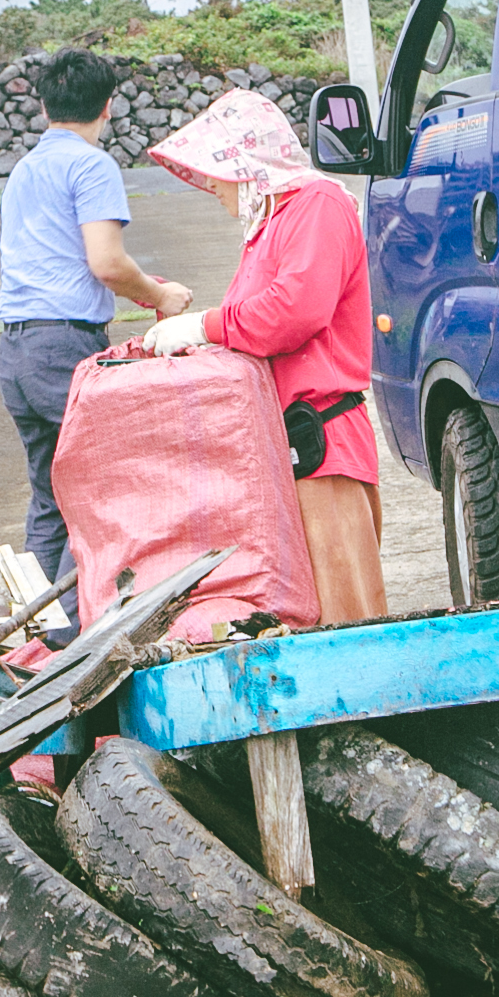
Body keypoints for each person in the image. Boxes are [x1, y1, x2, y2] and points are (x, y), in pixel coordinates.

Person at [142, 89, 386, 623]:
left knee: (345, 618)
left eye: (216, 169)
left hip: (320, 441)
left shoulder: (316, 203)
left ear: (248, 161)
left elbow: (293, 312)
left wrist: (204, 325)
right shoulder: (272, 222)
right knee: (302, 617)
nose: (210, 184)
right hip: (286, 447)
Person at [0, 49, 192, 623]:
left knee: (50, 498)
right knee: (102, 489)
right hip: (64, 349)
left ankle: (35, 635)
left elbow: (67, 260)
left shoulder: (26, 170)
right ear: (108, 106)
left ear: (42, 105)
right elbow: (105, 262)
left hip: (16, 352)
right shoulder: (91, 165)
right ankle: (74, 645)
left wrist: (146, 285)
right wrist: (160, 298)